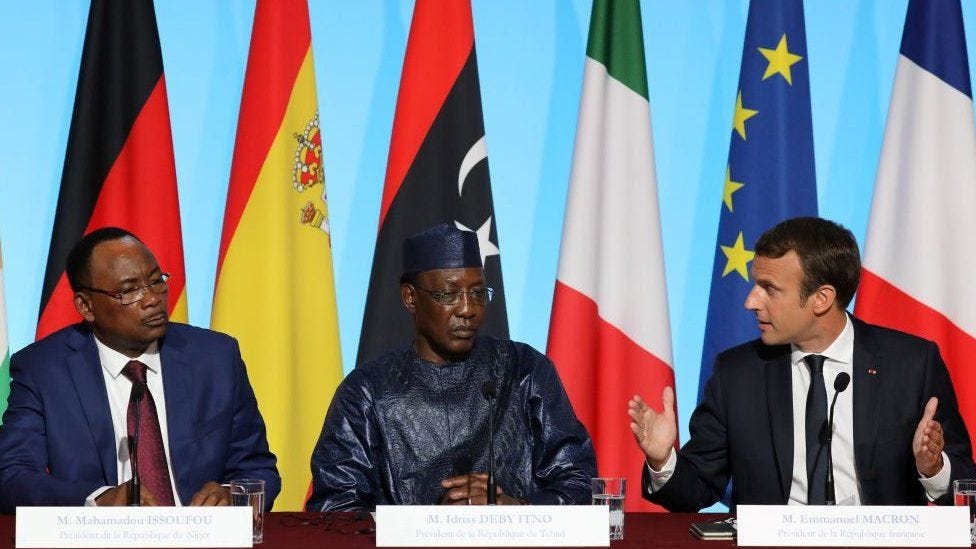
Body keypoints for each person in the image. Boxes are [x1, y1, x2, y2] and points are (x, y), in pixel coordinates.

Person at [629, 217, 976, 510]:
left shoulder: (911, 364)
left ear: (821, 299)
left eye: (769, 288)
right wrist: (663, 461)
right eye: (755, 285)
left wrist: (933, 468)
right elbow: (696, 489)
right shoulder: (737, 374)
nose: (751, 301)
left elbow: (966, 484)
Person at [308, 223, 596, 510]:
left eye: (478, 293)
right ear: (410, 297)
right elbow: (336, 507)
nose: (467, 309)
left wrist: (517, 507)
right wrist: (434, 526)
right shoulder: (367, 390)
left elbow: (579, 481)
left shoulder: (524, 370)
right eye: (448, 295)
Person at [0, 227, 280, 512]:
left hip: (199, 536)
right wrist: (97, 500)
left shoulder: (215, 358)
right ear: (86, 306)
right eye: (130, 290)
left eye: (157, 281)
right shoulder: (43, 370)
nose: (152, 299)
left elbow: (257, 468)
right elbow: (12, 478)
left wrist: (234, 494)